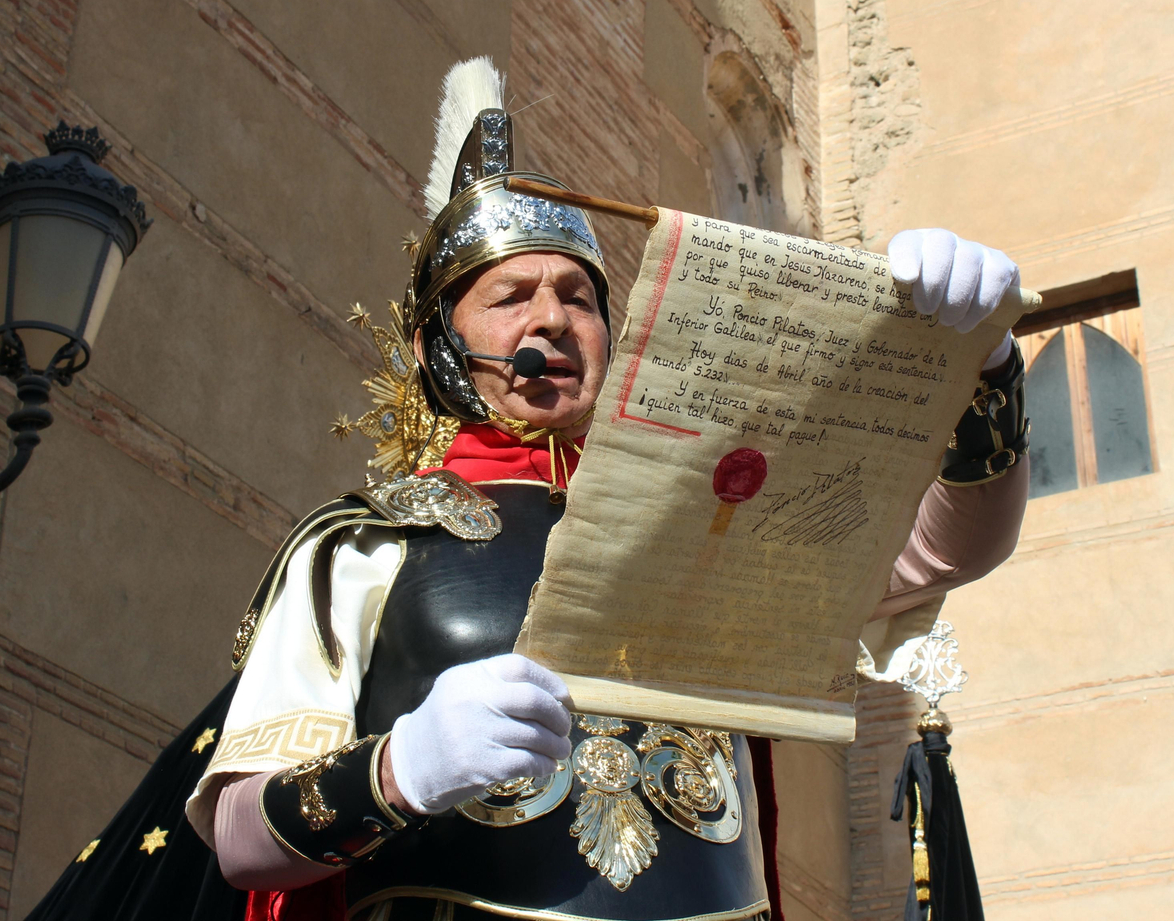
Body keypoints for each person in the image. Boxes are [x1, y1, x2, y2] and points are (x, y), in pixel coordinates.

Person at [180, 58, 1031, 921]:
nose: (552, 319)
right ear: (443, 347)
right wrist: (402, 768)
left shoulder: (708, 518)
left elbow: (948, 551)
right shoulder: (363, 540)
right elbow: (241, 840)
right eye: (511, 296)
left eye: (580, 298)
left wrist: (984, 368)